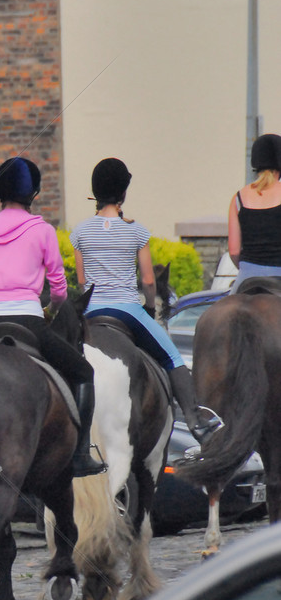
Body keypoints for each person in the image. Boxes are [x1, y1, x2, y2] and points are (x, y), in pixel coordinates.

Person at [0, 156, 106, 477]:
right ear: (34, 194)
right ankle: (81, 454)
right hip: (30, 318)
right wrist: (54, 308)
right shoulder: (42, 230)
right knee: (83, 372)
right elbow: (58, 285)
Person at [71, 157, 222, 443]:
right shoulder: (136, 230)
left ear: (96, 193)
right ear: (123, 194)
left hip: (91, 313)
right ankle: (195, 421)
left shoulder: (80, 232)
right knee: (173, 357)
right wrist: (150, 307)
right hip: (127, 310)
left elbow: (81, 282)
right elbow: (149, 282)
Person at [228, 132, 281, 290]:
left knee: (225, 307)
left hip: (247, 275)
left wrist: (248, 271)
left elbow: (234, 250)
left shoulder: (238, 198)